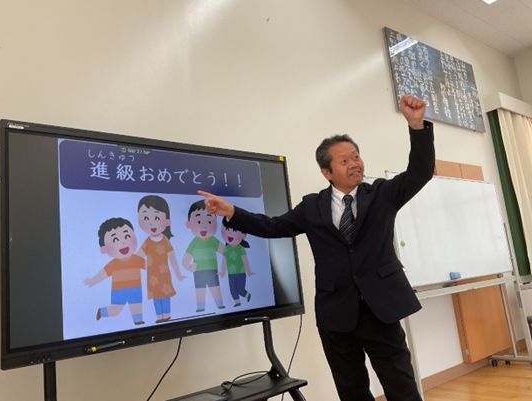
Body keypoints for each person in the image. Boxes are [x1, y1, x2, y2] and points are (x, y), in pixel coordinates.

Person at [197, 95, 434, 401]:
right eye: (344, 160)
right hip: (336, 315)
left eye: (356, 156)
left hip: (382, 309)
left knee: (401, 387)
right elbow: (273, 227)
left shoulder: (382, 194)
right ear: (326, 171)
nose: (355, 163)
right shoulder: (311, 207)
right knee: (351, 391)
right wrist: (232, 212)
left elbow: (420, 172)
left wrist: (416, 125)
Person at [84, 217, 146, 326]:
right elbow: (102, 274)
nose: (123, 242)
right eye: (115, 240)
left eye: (127, 236)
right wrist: (92, 281)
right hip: (119, 291)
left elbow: (151, 267)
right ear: (104, 249)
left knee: (137, 306)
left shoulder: (137, 259)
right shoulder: (113, 264)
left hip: (135, 289)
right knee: (116, 310)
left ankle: (138, 322)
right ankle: (102, 312)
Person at [137, 195, 186, 324]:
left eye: (157, 218)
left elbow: (173, 258)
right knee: (156, 296)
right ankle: (159, 316)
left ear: (167, 221)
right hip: (152, 276)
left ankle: (167, 315)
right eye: (146, 218)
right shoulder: (147, 242)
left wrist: (178, 274)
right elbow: (138, 257)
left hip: (164, 275)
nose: (151, 223)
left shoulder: (165, 241)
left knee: (165, 294)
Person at [182, 200, 226, 312]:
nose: (204, 226)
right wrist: (189, 266)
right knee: (200, 290)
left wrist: (223, 268)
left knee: (215, 288)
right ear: (189, 224)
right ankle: (200, 307)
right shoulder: (194, 242)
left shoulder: (213, 240)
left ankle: (220, 305)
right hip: (198, 271)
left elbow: (225, 252)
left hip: (212, 271)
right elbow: (186, 258)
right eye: (199, 221)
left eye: (209, 221)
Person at [219, 221, 254, 307]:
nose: (230, 233)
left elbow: (245, 260)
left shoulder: (241, 248)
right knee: (233, 290)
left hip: (241, 273)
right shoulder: (226, 249)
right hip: (231, 274)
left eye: (234, 230)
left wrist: (249, 271)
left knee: (240, 290)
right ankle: (237, 302)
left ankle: (247, 295)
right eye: (227, 229)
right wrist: (222, 271)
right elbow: (224, 260)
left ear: (243, 235)